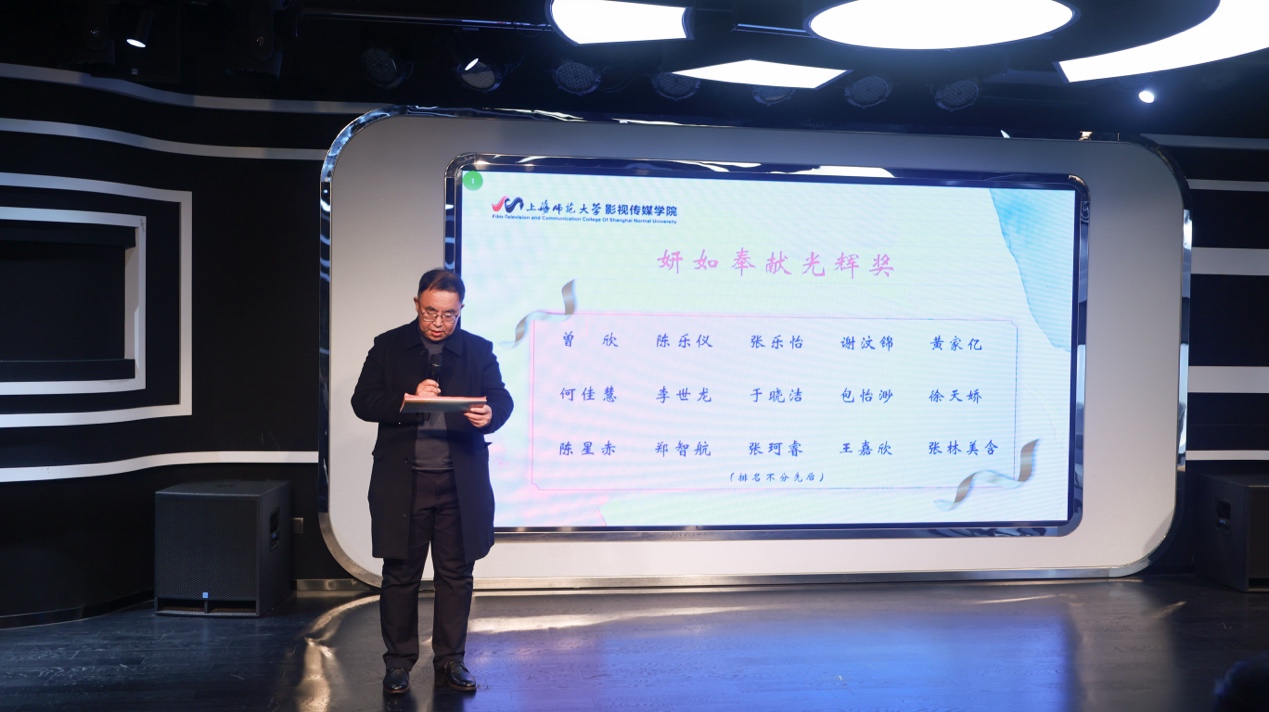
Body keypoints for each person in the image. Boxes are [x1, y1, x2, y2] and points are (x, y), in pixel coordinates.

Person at [351, 268, 513, 695]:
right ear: (416, 304)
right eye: (430, 312)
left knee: (456, 575)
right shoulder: (389, 346)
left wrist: (491, 414)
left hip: (460, 484)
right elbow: (362, 401)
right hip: (404, 482)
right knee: (400, 574)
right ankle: (398, 663)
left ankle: (451, 660)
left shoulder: (477, 350)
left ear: (461, 310)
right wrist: (407, 399)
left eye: (449, 314)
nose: (438, 322)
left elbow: (501, 397)